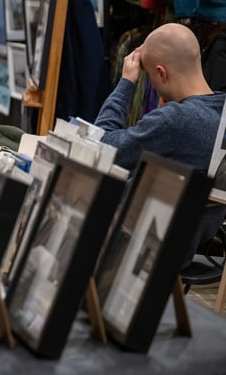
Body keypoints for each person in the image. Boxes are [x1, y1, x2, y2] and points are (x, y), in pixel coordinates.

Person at [94, 22, 226, 267]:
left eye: (151, 77)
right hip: (194, 240)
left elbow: (99, 146)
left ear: (162, 73)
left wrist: (127, 82)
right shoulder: (221, 115)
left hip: (135, 249)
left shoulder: (176, 120)